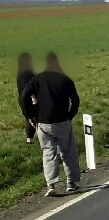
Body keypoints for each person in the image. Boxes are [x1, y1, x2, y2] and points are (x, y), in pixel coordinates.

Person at [20, 52, 81, 196]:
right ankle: (71, 183)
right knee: (68, 152)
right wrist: (70, 115)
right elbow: (75, 100)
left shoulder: (37, 79)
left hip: (43, 122)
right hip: (62, 121)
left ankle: (51, 185)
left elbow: (24, 96)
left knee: (48, 153)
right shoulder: (65, 79)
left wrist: (30, 116)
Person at [16, 52, 35, 144]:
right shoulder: (26, 72)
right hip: (29, 99)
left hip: (23, 99)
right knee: (34, 118)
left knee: (29, 118)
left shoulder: (21, 71)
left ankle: (29, 140)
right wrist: (33, 97)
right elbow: (26, 87)